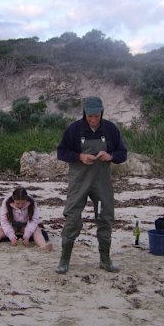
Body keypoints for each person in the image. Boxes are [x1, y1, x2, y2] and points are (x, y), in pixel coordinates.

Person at [55, 96, 127, 274]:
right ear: (84, 113)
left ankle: (105, 260)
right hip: (79, 182)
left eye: (96, 115)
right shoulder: (74, 129)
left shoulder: (110, 129)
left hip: (101, 183)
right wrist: (80, 157)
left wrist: (110, 156)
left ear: (102, 112)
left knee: (105, 218)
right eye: (90, 116)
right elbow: (61, 152)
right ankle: (64, 261)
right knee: (72, 217)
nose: (93, 119)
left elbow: (122, 153)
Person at [0, 186, 52, 252]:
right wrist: (11, 236)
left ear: (26, 200)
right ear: (13, 199)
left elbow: (33, 220)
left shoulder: (32, 202)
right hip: (12, 225)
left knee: (37, 230)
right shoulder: (6, 202)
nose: (20, 206)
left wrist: (27, 235)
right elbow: (4, 221)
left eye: (23, 203)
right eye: (17, 203)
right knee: (0, 229)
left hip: (25, 226)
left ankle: (43, 246)